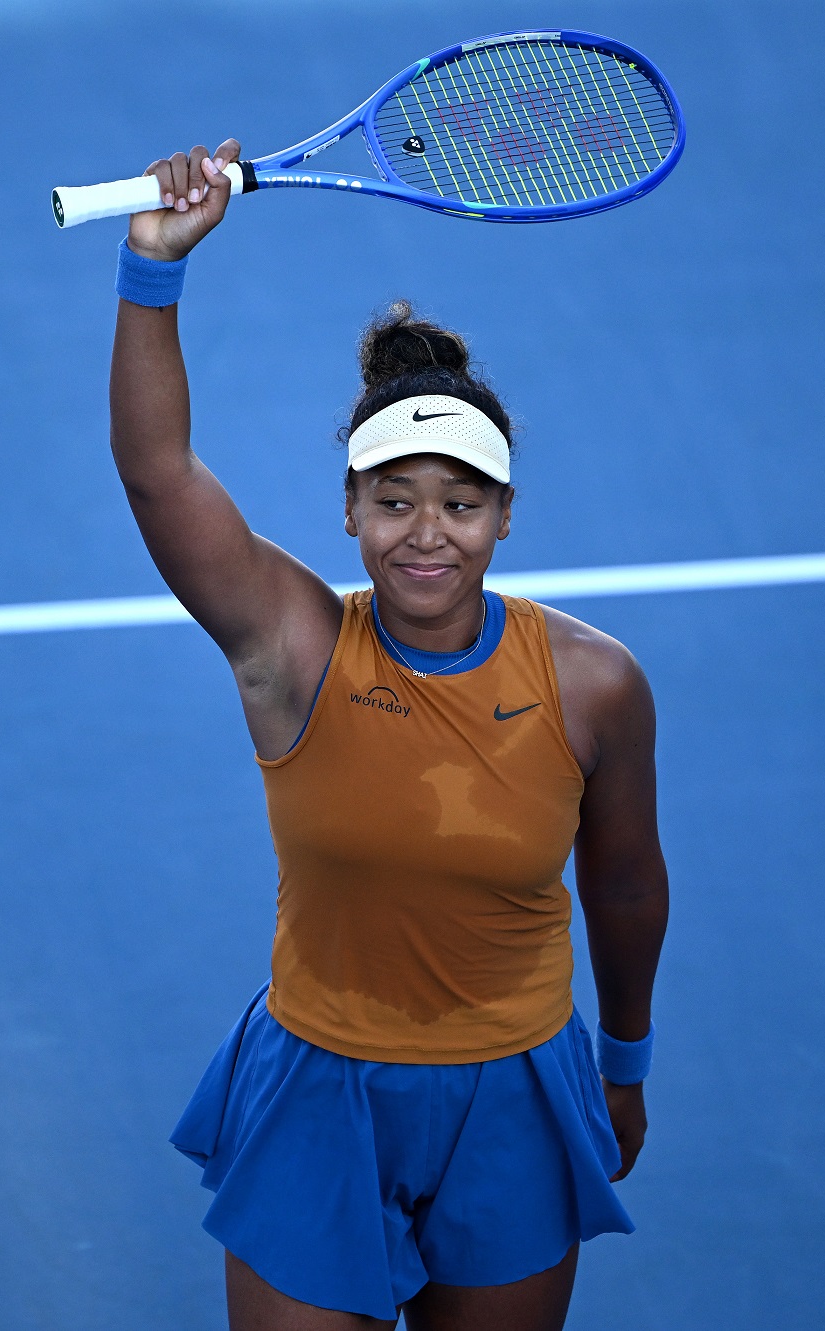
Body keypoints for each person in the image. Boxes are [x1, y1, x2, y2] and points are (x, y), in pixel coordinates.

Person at [108, 139, 670, 1331]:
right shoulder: (292, 646)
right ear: (350, 511)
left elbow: (623, 883)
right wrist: (152, 269)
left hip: (516, 1090)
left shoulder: (593, 684)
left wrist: (622, 1065)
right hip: (319, 1082)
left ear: (505, 516)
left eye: (460, 503)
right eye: (396, 500)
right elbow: (158, 475)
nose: (429, 533)